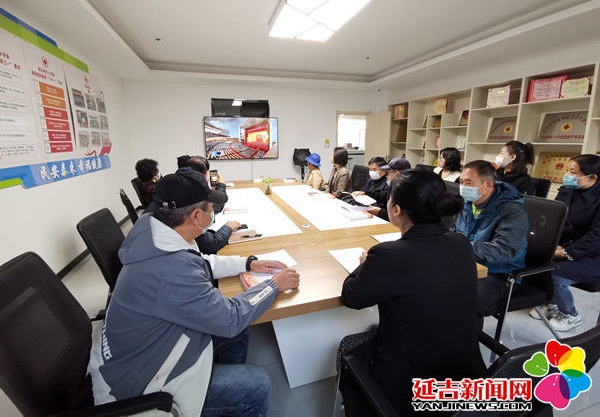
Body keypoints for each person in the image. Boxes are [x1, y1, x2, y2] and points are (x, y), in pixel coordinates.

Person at [89, 170, 300, 416]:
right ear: (197, 216)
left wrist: (248, 263)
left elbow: (201, 262)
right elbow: (230, 318)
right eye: (211, 207)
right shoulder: (172, 269)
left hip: (149, 349)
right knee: (258, 384)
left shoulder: (157, 234)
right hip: (145, 389)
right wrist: (273, 285)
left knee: (239, 333)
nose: (213, 213)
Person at [340, 170, 486, 416]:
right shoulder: (461, 243)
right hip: (466, 378)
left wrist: (365, 263)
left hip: (411, 391)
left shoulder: (387, 255)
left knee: (348, 348)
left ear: (396, 210)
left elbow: (351, 297)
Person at [531, 154, 600, 331]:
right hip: (565, 245)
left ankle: (570, 314)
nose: (567, 175)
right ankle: (551, 303)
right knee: (532, 260)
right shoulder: (567, 190)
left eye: (573, 172)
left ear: (592, 178)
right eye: (568, 170)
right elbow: (552, 217)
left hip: (591, 254)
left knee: (554, 274)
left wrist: (566, 252)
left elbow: (596, 238)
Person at [455, 160, 528, 327]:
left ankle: (466, 341)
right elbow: (455, 231)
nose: (463, 187)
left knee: (464, 301)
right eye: (461, 182)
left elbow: (504, 250)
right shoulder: (466, 203)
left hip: (500, 273)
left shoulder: (511, 211)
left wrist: (461, 247)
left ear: (487, 184)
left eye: (468, 183)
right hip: (469, 263)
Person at [365, 157, 411, 221]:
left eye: (388, 173)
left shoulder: (406, 192)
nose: (386, 176)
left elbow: (399, 216)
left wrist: (379, 212)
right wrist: (365, 193)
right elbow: (382, 195)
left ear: (397, 174)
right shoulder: (394, 187)